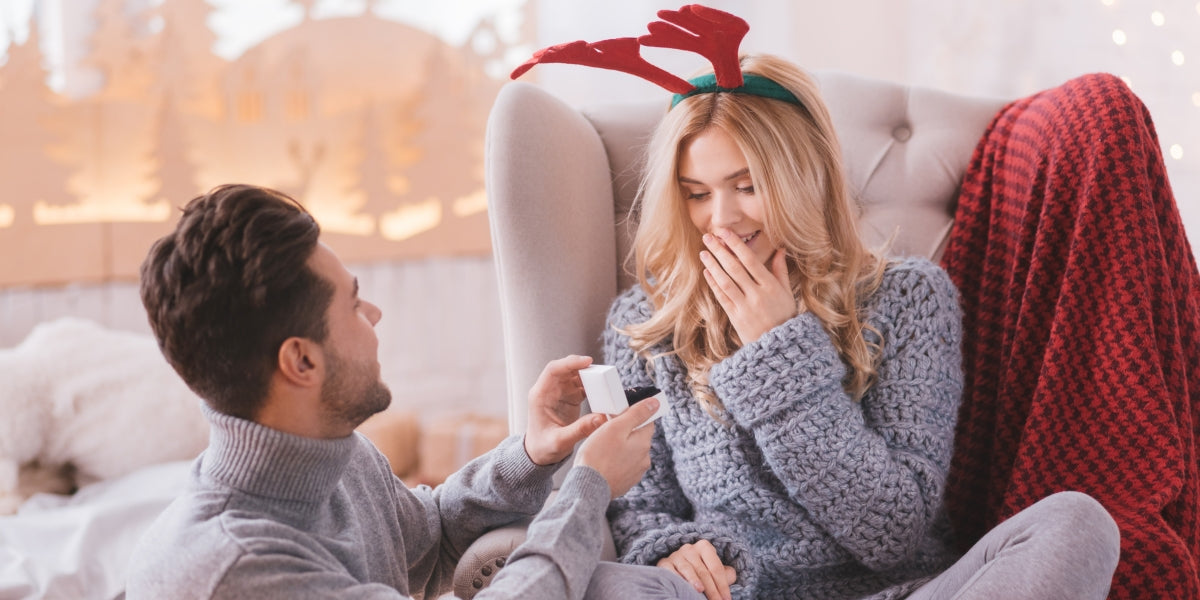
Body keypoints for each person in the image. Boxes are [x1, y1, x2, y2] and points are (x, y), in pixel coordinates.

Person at [595, 53, 1123, 600]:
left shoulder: (910, 297)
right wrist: (671, 549)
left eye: (747, 186)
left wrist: (778, 355)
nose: (722, 218)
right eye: (697, 193)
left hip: (901, 591)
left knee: (1078, 523)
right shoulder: (645, 323)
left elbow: (894, 533)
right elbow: (636, 508)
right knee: (616, 583)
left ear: (808, 176)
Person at [126, 184, 703, 599]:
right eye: (353, 303)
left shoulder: (333, 450)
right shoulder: (240, 569)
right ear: (300, 360)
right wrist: (589, 487)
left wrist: (533, 453)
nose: (374, 313)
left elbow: (430, 539)